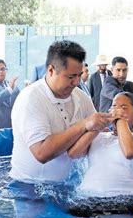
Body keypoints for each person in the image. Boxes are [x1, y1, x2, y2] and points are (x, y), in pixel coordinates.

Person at [9, 41, 117, 183]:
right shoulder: (30, 99)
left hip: (68, 183)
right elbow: (41, 153)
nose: (77, 82)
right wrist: (83, 125)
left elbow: (95, 135)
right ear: (51, 70)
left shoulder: (81, 97)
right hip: (28, 186)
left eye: (79, 75)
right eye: (71, 77)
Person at [75, 92, 133, 197]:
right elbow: (74, 154)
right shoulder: (100, 135)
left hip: (125, 198)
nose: (117, 111)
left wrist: (120, 120)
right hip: (86, 197)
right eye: (114, 107)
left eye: (123, 108)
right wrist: (97, 126)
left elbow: (130, 152)